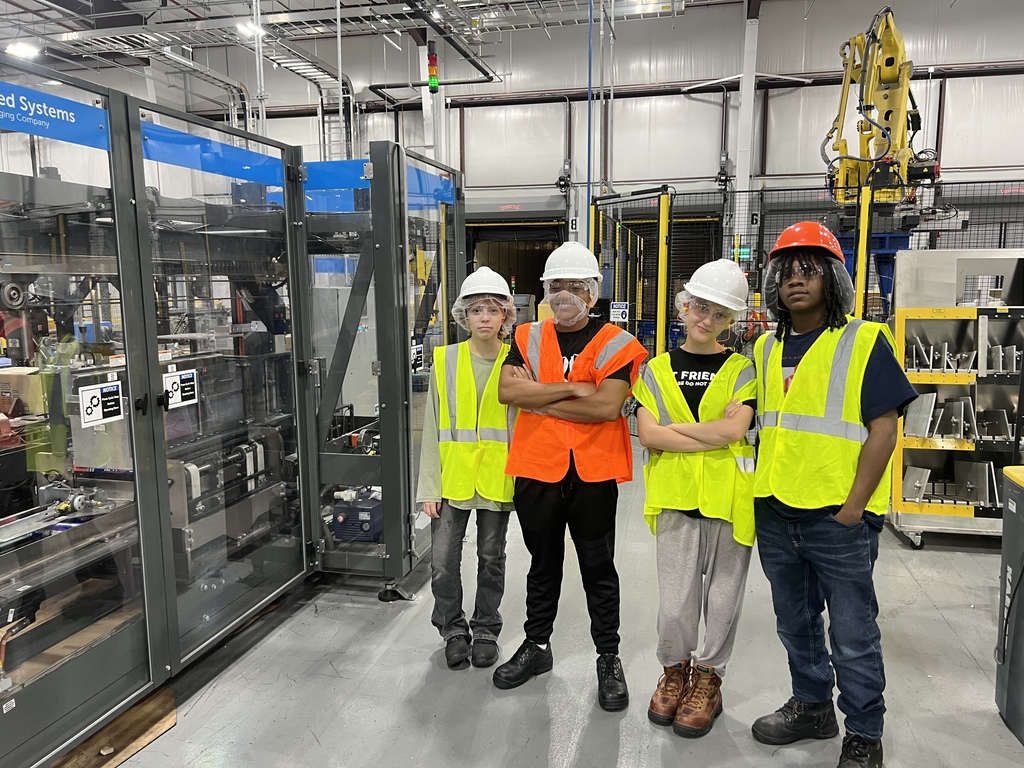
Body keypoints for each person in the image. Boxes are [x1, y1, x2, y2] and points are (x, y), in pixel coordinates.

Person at [749, 222, 917, 768]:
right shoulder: (765, 347)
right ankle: (813, 706)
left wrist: (852, 509)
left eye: (809, 270)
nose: (795, 281)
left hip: (837, 517)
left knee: (852, 633)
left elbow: (884, 430)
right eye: (786, 271)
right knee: (794, 623)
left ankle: (864, 732)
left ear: (833, 278)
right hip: (777, 511)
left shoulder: (864, 340)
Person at [492, 241, 648, 712]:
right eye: (555, 285)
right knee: (542, 564)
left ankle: (608, 657)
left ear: (593, 290)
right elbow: (505, 392)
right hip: (538, 470)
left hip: (592, 475)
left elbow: (606, 407)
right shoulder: (525, 336)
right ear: (544, 290)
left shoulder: (620, 344)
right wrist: (570, 389)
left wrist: (537, 395)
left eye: (575, 285)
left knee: (598, 569)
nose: (565, 294)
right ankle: (537, 647)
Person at [633, 258, 757, 739]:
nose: (707, 319)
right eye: (701, 307)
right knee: (675, 603)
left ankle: (708, 678)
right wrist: (712, 435)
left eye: (720, 314)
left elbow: (736, 429)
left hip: (729, 498)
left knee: (723, 599)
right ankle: (674, 671)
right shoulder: (656, 369)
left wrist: (674, 430)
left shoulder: (741, 368)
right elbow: (647, 436)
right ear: (684, 306)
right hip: (675, 498)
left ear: (730, 321)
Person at [415, 267, 517, 671]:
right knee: (442, 562)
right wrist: (428, 487)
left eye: (494, 309)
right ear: (464, 316)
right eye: (477, 310)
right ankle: (452, 629)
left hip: (498, 477)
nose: (486, 318)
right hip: (451, 479)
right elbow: (431, 426)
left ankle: (486, 628)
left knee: (492, 558)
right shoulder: (446, 360)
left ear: (507, 315)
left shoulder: (517, 361)